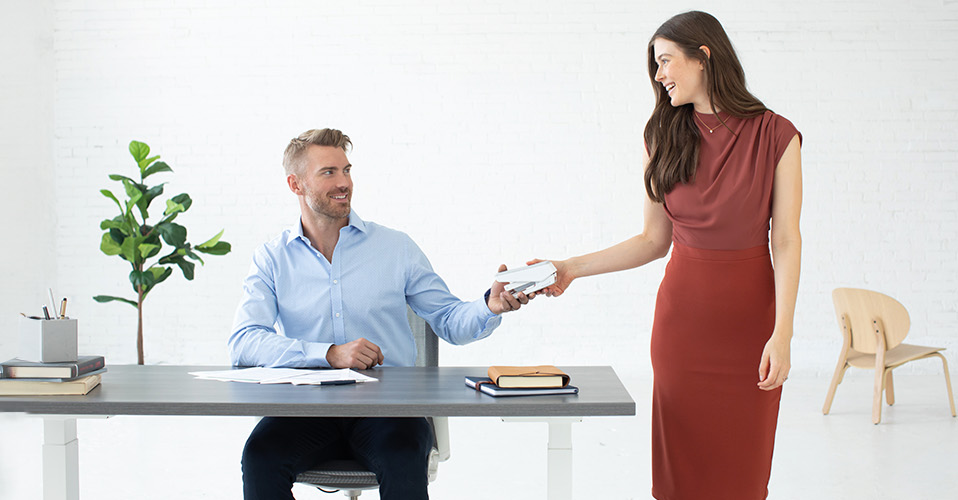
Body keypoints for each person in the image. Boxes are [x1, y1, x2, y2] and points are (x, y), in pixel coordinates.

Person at [529, 11, 802, 500]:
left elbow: (785, 240)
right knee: (680, 474)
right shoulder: (662, 137)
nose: (659, 76)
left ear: (704, 55)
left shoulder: (777, 135)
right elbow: (653, 241)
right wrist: (570, 267)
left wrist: (782, 334)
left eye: (666, 61)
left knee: (744, 472)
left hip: (750, 330)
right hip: (683, 328)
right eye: (655, 66)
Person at [230, 128, 532, 500]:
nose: (344, 183)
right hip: (307, 410)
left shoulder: (395, 248)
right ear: (295, 184)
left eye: (347, 170)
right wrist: (327, 354)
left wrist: (490, 304)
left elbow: (450, 320)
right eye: (329, 172)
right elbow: (244, 343)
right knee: (260, 456)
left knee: (403, 454)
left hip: (390, 411)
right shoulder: (272, 258)